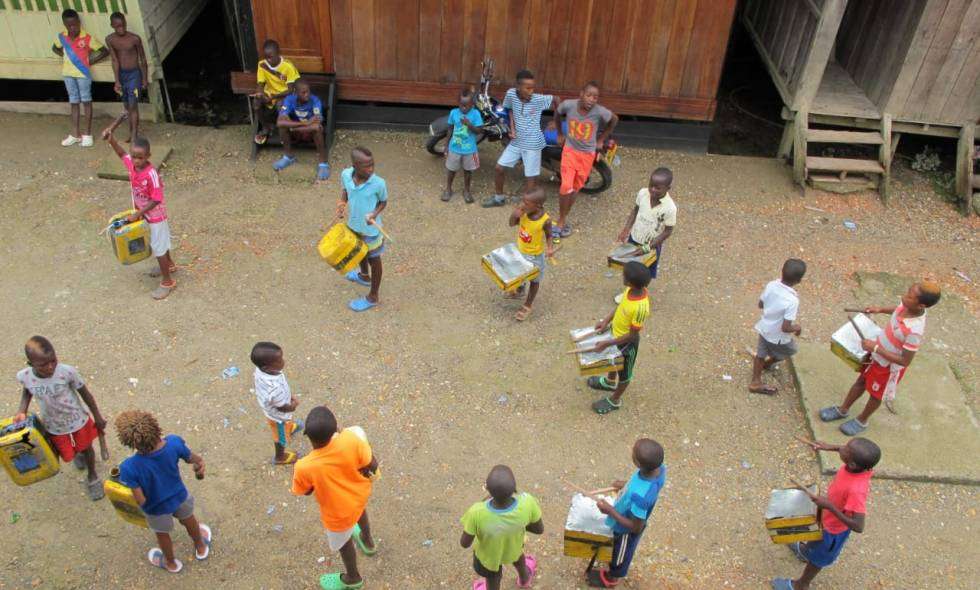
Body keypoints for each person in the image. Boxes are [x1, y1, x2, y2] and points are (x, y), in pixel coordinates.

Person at [819, 281, 941, 435]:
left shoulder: (914, 332)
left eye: (909, 296)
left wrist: (875, 348)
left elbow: (905, 361)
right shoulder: (907, 305)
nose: (903, 297)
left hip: (888, 368)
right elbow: (897, 310)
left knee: (876, 395)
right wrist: (880, 309)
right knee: (861, 381)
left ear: (921, 305)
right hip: (876, 355)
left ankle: (862, 420)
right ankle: (843, 409)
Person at [772, 437, 881, 590]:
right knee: (814, 537)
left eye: (845, 449)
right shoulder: (857, 466)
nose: (841, 448)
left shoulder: (856, 490)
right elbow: (845, 450)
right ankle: (804, 552)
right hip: (826, 519)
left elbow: (858, 526)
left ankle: (801, 585)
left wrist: (829, 506)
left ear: (852, 464)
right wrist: (827, 447)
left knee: (818, 559)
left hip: (833, 532)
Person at [292, 406, 379, 590]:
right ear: (336, 430)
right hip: (358, 496)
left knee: (344, 543)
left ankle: (353, 578)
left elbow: (305, 491)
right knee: (360, 513)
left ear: (308, 435)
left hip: (337, 515)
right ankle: (368, 541)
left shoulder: (304, 466)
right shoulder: (350, 439)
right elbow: (371, 463)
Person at [115, 410, 211, 573]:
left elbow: (141, 500)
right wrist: (199, 466)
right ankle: (200, 546)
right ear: (155, 427)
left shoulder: (128, 468)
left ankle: (171, 563)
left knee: (162, 534)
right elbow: (193, 459)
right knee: (189, 520)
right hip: (180, 496)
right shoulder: (173, 443)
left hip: (155, 508)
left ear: (129, 442)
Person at [13, 336, 107, 500]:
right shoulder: (26, 376)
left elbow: (87, 396)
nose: (50, 367)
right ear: (31, 364)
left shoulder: (67, 372)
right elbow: (27, 391)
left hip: (78, 420)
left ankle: (92, 475)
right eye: (43, 365)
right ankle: (78, 453)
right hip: (53, 425)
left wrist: (97, 416)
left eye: (53, 361)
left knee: (86, 448)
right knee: (67, 453)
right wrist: (22, 410)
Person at [102, 128, 177, 300]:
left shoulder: (151, 174)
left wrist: (138, 214)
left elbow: (157, 199)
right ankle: (170, 264)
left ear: (148, 156)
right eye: (133, 156)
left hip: (156, 216)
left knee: (158, 247)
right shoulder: (132, 165)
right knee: (160, 243)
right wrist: (111, 139)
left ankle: (167, 282)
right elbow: (121, 153)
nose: (135, 160)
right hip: (145, 214)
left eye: (140, 157)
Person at [590, 438, 666, 587]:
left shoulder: (641, 498)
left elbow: (635, 527)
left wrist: (610, 511)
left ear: (638, 464)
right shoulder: (660, 469)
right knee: (617, 549)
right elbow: (641, 482)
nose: (631, 451)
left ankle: (613, 577)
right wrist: (627, 485)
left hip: (625, 530)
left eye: (633, 453)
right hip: (628, 511)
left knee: (621, 554)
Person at [579, 261, 651, 414]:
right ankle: (610, 382)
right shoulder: (630, 290)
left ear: (630, 281)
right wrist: (606, 321)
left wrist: (607, 343)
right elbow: (620, 307)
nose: (622, 276)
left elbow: (632, 335)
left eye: (624, 275)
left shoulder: (640, 308)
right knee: (612, 361)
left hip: (627, 345)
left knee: (625, 375)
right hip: (614, 335)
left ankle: (615, 400)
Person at [460, 465, 544, 590]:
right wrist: (516, 525)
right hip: (514, 546)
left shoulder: (476, 512)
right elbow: (539, 529)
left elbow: (465, 543)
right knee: (518, 557)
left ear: (487, 488)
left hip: (488, 556)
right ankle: (525, 578)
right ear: (515, 488)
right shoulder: (527, 502)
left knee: (493, 577)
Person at [552, 82, 618, 239]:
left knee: (575, 188)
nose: (592, 99)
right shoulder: (568, 105)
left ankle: (564, 216)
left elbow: (614, 119)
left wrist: (601, 139)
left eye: (595, 97)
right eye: (589, 95)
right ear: (581, 94)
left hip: (587, 155)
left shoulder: (599, 111)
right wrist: (560, 133)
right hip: (570, 151)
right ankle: (561, 220)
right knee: (565, 186)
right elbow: (556, 113)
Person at [483, 70, 556, 208]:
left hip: (533, 143)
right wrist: (512, 127)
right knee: (499, 168)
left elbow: (557, 100)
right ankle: (499, 198)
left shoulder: (538, 99)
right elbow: (509, 109)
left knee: (530, 176)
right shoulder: (511, 94)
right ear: (518, 87)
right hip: (516, 141)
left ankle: (528, 205)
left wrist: (555, 121)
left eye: (533, 88)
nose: (531, 91)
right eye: (528, 88)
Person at [336, 147, 388, 312]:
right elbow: (345, 190)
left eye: (372, 164)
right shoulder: (346, 174)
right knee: (359, 251)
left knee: (374, 260)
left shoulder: (379, 183)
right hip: (354, 225)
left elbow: (383, 202)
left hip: (371, 231)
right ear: (355, 166)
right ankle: (364, 276)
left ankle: (373, 296)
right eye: (366, 166)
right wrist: (342, 203)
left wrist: (374, 213)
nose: (371, 169)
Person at [749, 259, 806, 395]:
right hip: (777, 336)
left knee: (761, 353)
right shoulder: (792, 301)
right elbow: (785, 328)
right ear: (799, 281)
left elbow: (760, 305)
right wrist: (797, 328)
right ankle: (768, 364)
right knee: (790, 350)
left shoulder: (771, 285)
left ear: (781, 272)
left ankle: (756, 380)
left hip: (764, 327)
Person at [52, 9, 108, 148]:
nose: (73, 28)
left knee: (86, 101)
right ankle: (76, 135)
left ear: (79, 22)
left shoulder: (87, 37)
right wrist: (66, 57)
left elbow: (104, 51)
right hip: (67, 74)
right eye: (69, 26)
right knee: (74, 103)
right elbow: (54, 48)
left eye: (75, 25)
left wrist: (90, 62)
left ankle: (87, 134)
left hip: (83, 74)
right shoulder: (61, 37)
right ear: (64, 25)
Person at [616, 168, 677, 288]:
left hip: (652, 245)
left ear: (667, 188)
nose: (653, 190)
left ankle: (640, 294)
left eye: (658, 188)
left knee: (645, 272)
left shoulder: (670, 208)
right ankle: (629, 293)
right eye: (651, 185)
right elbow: (635, 211)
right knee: (631, 270)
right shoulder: (643, 193)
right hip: (634, 239)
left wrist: (647, 248)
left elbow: (667, 232)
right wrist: (626, 230)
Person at [508, 187, 555, 321]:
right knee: (519, 273)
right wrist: (515, 214)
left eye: (527, 203)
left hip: (535, 256)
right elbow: (511, 224)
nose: (523, 204)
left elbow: (549, 235)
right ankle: (520, 290)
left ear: (538, 205)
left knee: (534, 280)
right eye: (523, 201)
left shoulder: (545, 220)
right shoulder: (522, 213)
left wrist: (550, 248)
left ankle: (528, 304)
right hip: (520, 250)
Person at [250, 342, 302, 465]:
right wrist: (292, 406)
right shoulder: (274, 388)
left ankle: (288, 427)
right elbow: (282, 407)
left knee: (285, 425)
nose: (283, 361)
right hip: (278, 417)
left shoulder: (261, 370)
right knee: (280, 438)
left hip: (273, 409)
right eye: (279, 360)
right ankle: (280, 457)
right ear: (267, 367)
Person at [272, 79, 330, 182]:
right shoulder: (289, 100)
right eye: (303, 92)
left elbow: (316, 125)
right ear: (296, 92)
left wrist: (292, 126)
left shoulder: (315, 101)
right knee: (282, 127)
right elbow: (280, 123)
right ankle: (288, 157)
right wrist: (305, 123)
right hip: (299, 130)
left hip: (309, 133)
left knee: (317, 130)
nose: (307, 94)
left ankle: (323, 163)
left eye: (308, 91)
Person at [105, 12, 148, 142]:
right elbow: (114, 60)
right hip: (122, 75)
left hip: (134, 74)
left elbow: (142, 59)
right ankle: (131, 132)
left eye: (123, 25)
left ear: (125, 23)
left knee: (133, 104)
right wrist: (117, 80)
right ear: (112, 25)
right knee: (126, 106)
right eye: (117, 26)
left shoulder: (134, 39)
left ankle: (134, 134)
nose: (121, 29)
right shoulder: (110, 39)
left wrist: (144, 78)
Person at [251, 39, 299, 145]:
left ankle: (285, 132)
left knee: (280, 104)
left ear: (278, 53)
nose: (268, 60)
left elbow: (291, 90)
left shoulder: (288, 66)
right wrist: (260, 94)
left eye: (271, 56)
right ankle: (266, 127)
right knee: (256, 102)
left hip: (285, 94)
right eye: (266, 57)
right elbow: (260, 84)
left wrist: (273, 97)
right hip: (270, 93)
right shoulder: (262, 64)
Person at [442, 88, 484, 204]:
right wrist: (446, 145)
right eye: (461, 105)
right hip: (454, 148)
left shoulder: (475, 114)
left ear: (472, 105)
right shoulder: (454, 113)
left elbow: (479, 131)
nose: (464, 108)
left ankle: (466, 190)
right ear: (458, 103)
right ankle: (448, 189)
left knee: (468, 171)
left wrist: (469, 125)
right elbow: (450, 129)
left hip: (469, 150)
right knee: (451, 169)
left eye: (467, 106)